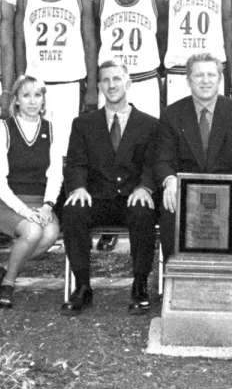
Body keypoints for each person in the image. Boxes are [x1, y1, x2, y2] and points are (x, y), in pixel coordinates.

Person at [154, 53, 232, 313]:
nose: (205, 81)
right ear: (189, 81)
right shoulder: (172, 115)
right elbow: (162, 159)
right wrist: (169, 180)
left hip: (227, 194)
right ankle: (176, 284)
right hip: (187, 194)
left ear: (220, 79)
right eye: (198, 75)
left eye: (211, 75)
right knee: (169, 209)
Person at [59, 60, 160, 315]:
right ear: (100, 85)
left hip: (131, 197)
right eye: (106, 80)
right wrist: (78, 188)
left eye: (117, 79)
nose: (112, 85)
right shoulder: (84, 124)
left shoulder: (149, 124)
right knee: (73, 211)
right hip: (97, 197)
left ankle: (140, 284)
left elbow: (153, 164)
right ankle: (82, 285)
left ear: (128, 83)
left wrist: (145, 188)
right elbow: (76, 163)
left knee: (143, 212)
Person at [0, 76, 65, 309]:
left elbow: (55, 173)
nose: (32, 101)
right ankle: (8, 283)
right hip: (6, 202)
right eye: (26, 95)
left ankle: (2, 270)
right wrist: (24, 211)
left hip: (40, 202)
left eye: (37, 95)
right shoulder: (1, 129)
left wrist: (48, 205)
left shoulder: (52, 129)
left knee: (49, 235)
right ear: (16, 100)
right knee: (32, 231)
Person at [15, 0, 96, 160]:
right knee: (32, 143)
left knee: (65, 146)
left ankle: (62, 193)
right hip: (35, 83)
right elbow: (19, 42)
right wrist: (20, 79)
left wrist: (92, 87)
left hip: (68, 84)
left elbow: (90, 43)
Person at [93, 0, 163, 118]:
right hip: (111, 80)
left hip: (145, 79)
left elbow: (164, 37)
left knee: (149, 135)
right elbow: (95, 39)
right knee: (110, 136)